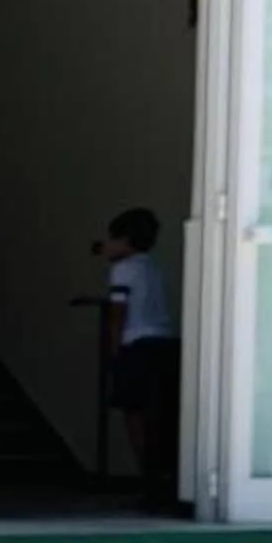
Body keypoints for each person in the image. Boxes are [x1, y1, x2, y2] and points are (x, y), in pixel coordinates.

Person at [98, 207, 182, 501]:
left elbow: (118, 312)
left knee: (136, 415)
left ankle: (148, 481)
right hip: (165, 342)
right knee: (160, 414)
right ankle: (166, 477)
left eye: (111, 239)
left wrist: (114, 351)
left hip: (137, 346)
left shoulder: (122, 269)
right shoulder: (154, 267)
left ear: (124, 240)